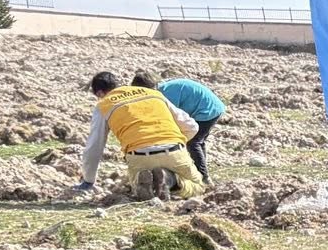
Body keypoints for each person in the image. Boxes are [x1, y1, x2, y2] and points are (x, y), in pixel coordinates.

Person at [73, 71, 202, 200]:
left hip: (139, 154)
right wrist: (178, 144)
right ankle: (169, 179)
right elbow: (192, 127)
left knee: (134, 186)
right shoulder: (153, 94)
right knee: (197, 186)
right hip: (174, 149)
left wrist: (88, 180)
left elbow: (94, 145)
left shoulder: (104, 105)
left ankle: (144, 184)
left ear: (100, 93)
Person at [133, 70, 225, 182]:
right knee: (198, 142)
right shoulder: (163, 89)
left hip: (206, 110)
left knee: (193, 142)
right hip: (213, 106)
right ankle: (199, 172)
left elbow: (171, 119)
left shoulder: (165, 95)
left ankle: (203, 177)